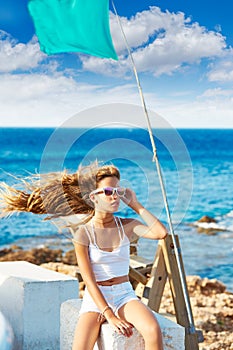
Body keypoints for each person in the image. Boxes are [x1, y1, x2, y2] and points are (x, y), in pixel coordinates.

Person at [0, 161, 167, 350]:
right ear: (93, 198)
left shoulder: (127, 226)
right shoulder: (84, 234)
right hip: (96, 298)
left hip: (124, 295)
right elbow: (89, 280)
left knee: (153, 329)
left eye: (118, 192)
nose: (115, 197)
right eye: (108, 191)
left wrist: (136, 205)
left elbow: (160, 233)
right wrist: (109, 315)